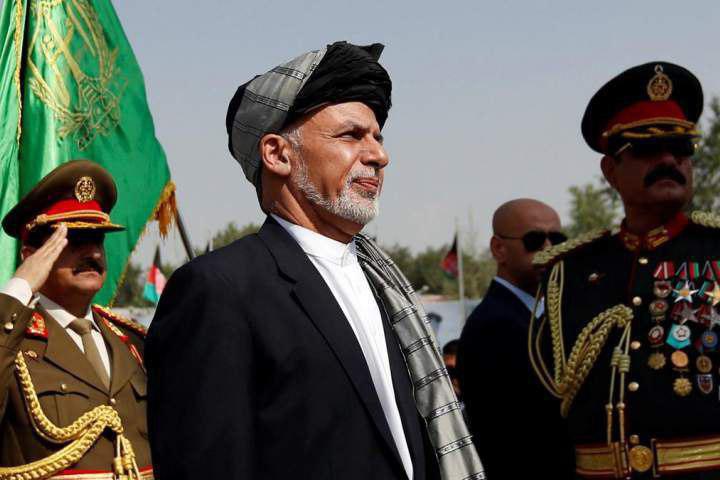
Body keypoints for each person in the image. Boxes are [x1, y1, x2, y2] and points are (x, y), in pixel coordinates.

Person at [145, 41, 485, 480]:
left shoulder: (384, 285)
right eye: (351, 136)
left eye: (378, 137)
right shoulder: (221, 289)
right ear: (277, 154)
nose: (379, 156)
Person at [529, 62, 720, 479]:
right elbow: (547, 411)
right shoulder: (569, 272)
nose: (668, 159)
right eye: (648, 149)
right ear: (610, 171)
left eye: (680, 147)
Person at [0, 160, 152, 479]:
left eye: (98, 240)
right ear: (31, 256)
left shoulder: (132, 342)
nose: (93, 254)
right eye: (75, 240)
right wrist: (20, 287)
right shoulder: (12, 340)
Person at [458, 198, 575, 478]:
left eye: (557, 239)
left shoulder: (553, 315)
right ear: (499, 248)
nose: (548, 248)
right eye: (534, 240)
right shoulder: (492, 326)